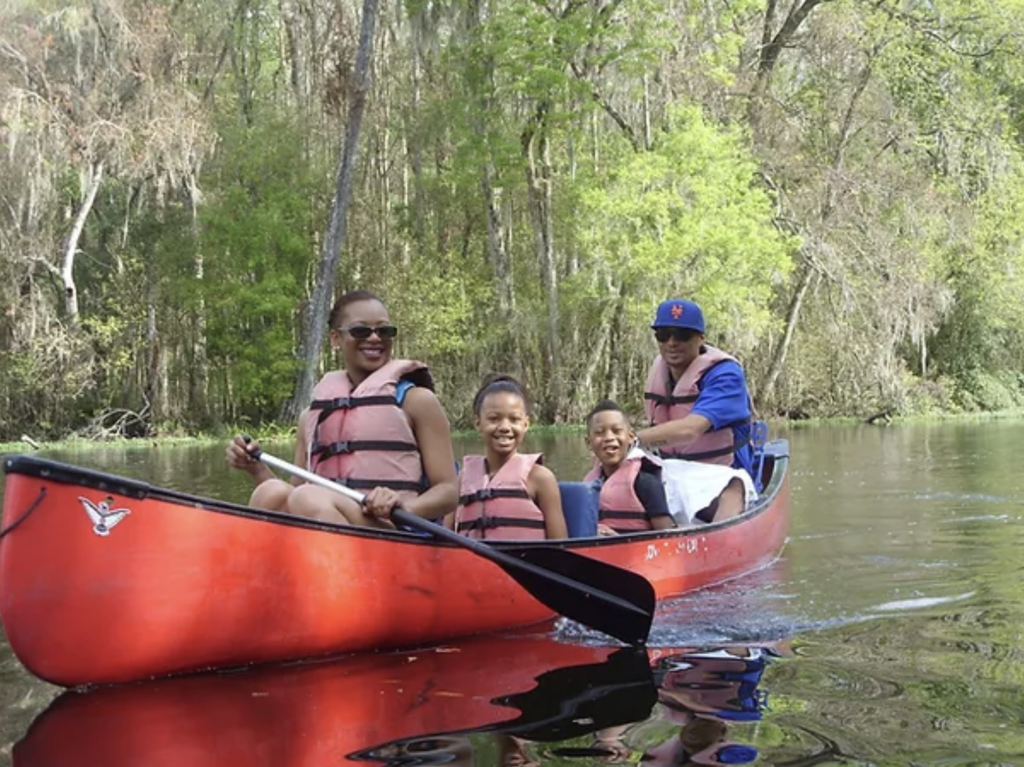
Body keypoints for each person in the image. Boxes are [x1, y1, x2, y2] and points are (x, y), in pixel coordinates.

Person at [226, 290, 458, 528]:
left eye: (385, 331)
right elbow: (294, 498)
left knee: (309, 497)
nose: (375, 338)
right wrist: (256, 469)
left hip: (394, 532)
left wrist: (403, 506)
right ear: (335, 338)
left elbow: (449, 490)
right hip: (325, 518)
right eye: (361, 331)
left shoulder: (417, 401)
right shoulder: (311, 417)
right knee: (271, 492)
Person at [635, 299, 757, 524]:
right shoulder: (660, 370)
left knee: (733, 486)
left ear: (701, 338)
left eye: (682, 335)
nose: (672, 343)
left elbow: (691, 429)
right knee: (620, 466)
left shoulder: (725, 374)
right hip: (671, 468)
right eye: (663, 334)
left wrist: (630, 439)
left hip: (720, 471)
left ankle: (722, 540)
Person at [451, 375, 567, 540]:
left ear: (526, 424)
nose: (505, 427)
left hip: (524, 565)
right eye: (493, 419)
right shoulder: (461, 480)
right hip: (470, 565)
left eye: (514, 419)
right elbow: (445, 543)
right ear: (478, 423)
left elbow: (561, 547)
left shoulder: (542, 479)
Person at [584, 400, 677, 536]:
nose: (609, 437)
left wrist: (617, 540)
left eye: (616, 431)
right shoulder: (588, 484)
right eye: (599, 432)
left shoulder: (647, 484)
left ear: (631, 437)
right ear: (588, 442)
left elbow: (668, 539)